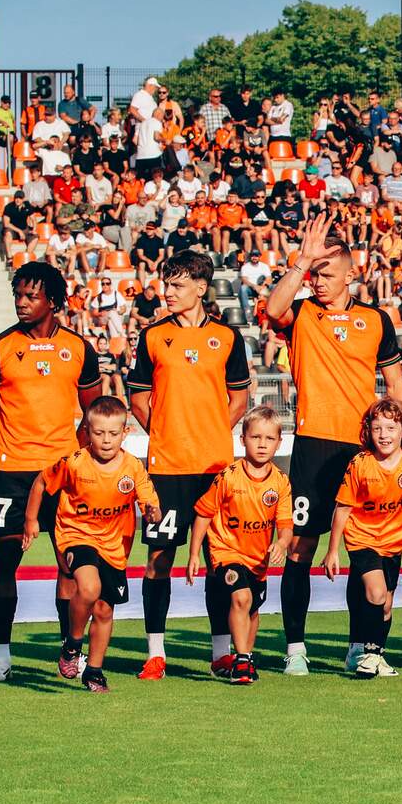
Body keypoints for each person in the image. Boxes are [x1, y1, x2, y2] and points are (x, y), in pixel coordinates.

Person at [264, 219, 402, 673]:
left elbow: (395, 386)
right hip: (313, 448)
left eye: (326, 273)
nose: (318, 281)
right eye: (314, 274)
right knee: (300, 549)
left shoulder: (375, 320)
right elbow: (272, 308)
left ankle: (358, 647)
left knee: (363, 549)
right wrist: (302, 261)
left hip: (363, 452)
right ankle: (295, 649)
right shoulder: (302, 313)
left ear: (351, 274)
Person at [0, 261, 101, 681]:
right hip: (14, 476)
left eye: (31, 296)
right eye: (18, 295)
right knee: (4, 564)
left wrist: (72, 459)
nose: (22, 303)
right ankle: (0, 658)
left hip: (63, 477)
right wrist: (4, 456)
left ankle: (70, 652)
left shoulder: (79, 348)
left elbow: (94, 413)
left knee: (69, 565)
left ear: (53, 301)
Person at [127, 249, 253, 680]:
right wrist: (166, 432)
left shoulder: (228, 337)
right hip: (165, 468)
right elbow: (138, 398)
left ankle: (220, 653)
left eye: (178, 285)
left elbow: (240, 398)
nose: (168, 292)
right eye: (167, 284)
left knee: (220, 560)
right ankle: (155, 653)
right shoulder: (151, 336)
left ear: (201, 288)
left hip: (214, 468)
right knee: (159, 559)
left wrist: (212, 431)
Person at [23, 397, 161, 692]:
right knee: (88, 587)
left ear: (125, 432)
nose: (106, 440)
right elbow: (41, 482)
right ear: (87, 431)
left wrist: (152, 513)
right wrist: (31, 520)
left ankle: (94, 672)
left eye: (113, 433)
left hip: (115, 546)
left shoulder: (133, 468)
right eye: (99, 433)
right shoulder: (74, 462)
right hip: (76, 535)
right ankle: (72, 644)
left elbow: (152, 506)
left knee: (104, 610)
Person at [323, 398, 402, 679]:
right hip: (362, 538)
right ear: (369, 431)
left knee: (386, 606)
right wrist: (332, 550)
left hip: (394, 544)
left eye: (390, 428)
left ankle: (373, 655)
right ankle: (369, 655)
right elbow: (342, 509)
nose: (383, 435)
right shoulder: (360, 463)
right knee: (377, 593)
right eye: (377, 428)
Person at [185, 406, 293, 686]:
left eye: (269, 439)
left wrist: (282, 543)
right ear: (242, 439)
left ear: (279, 443)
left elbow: (285, 524)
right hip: (226, 551)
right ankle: (241, 660)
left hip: (257, 558)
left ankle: (247, 657)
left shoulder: (281, 482)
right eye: (255, 437)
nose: (262, 444)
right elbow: (203, 514)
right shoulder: (228, 476)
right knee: (241, 597)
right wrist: (194, 553)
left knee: (252, 608)